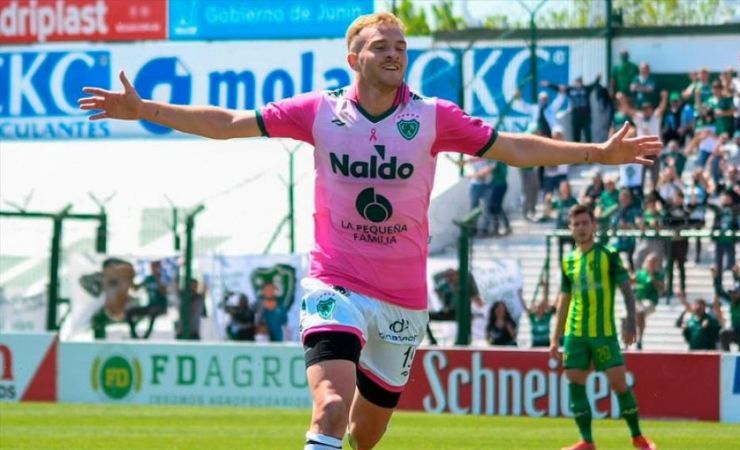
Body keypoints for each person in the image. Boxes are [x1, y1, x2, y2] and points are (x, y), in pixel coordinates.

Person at [80, 12, 661, 450]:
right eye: (380, 46)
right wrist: (148, 109)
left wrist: (596, 154)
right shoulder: (318, 111)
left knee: (364, 435)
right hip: (335, 284)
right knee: (330, 409)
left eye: (401, 47)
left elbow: (511, 147)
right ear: (353, 57)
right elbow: (229, 123)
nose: (394, 54)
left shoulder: (432, 116)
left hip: (404, 303)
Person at [550, 204, 656, 450]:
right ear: (570, 228)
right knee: (575, 381)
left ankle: (637, 436)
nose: (581, 228)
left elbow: (626, 289)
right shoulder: (568, 261)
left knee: (619, 384)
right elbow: (563, 301)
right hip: (576, 334)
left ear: (594, 226)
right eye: (576, 224)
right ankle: (587, 441)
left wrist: (631, 321)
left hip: (604, 333)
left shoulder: (608, 255)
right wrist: (555, 339)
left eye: (585, 223)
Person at [125, 260, 169, 339]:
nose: (154, 269)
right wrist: (130, 278)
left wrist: (157, 278)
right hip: (150, 305)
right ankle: (134, 335)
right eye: (152, 267)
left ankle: (146, 336)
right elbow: (136, 288)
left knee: (153, 312)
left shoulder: (163, 278)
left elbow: (163, 291)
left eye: (156, 267)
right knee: (129, 312)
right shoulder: (148, 278)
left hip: (161, 306)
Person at [631, 254, 665, 350]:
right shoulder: (640, 273)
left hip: (650, 301)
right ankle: (626, 342)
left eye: (653, 263)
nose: (651, 264)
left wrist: (652, 277)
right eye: (649, 262)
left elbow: (661, 289)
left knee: (641, 312)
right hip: (638, 300)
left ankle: (640, 339)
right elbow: (631, 281)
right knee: (625, 317)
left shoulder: (659, 275)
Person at [529, 278, 555, 348]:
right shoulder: (532, 318)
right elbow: (527, 308)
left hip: (546, 344)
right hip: (535, 345)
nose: (539, 309)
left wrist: (545, 288)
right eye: (538, 307)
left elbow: (545, 301)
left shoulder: (546, 317)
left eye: (541, 308)